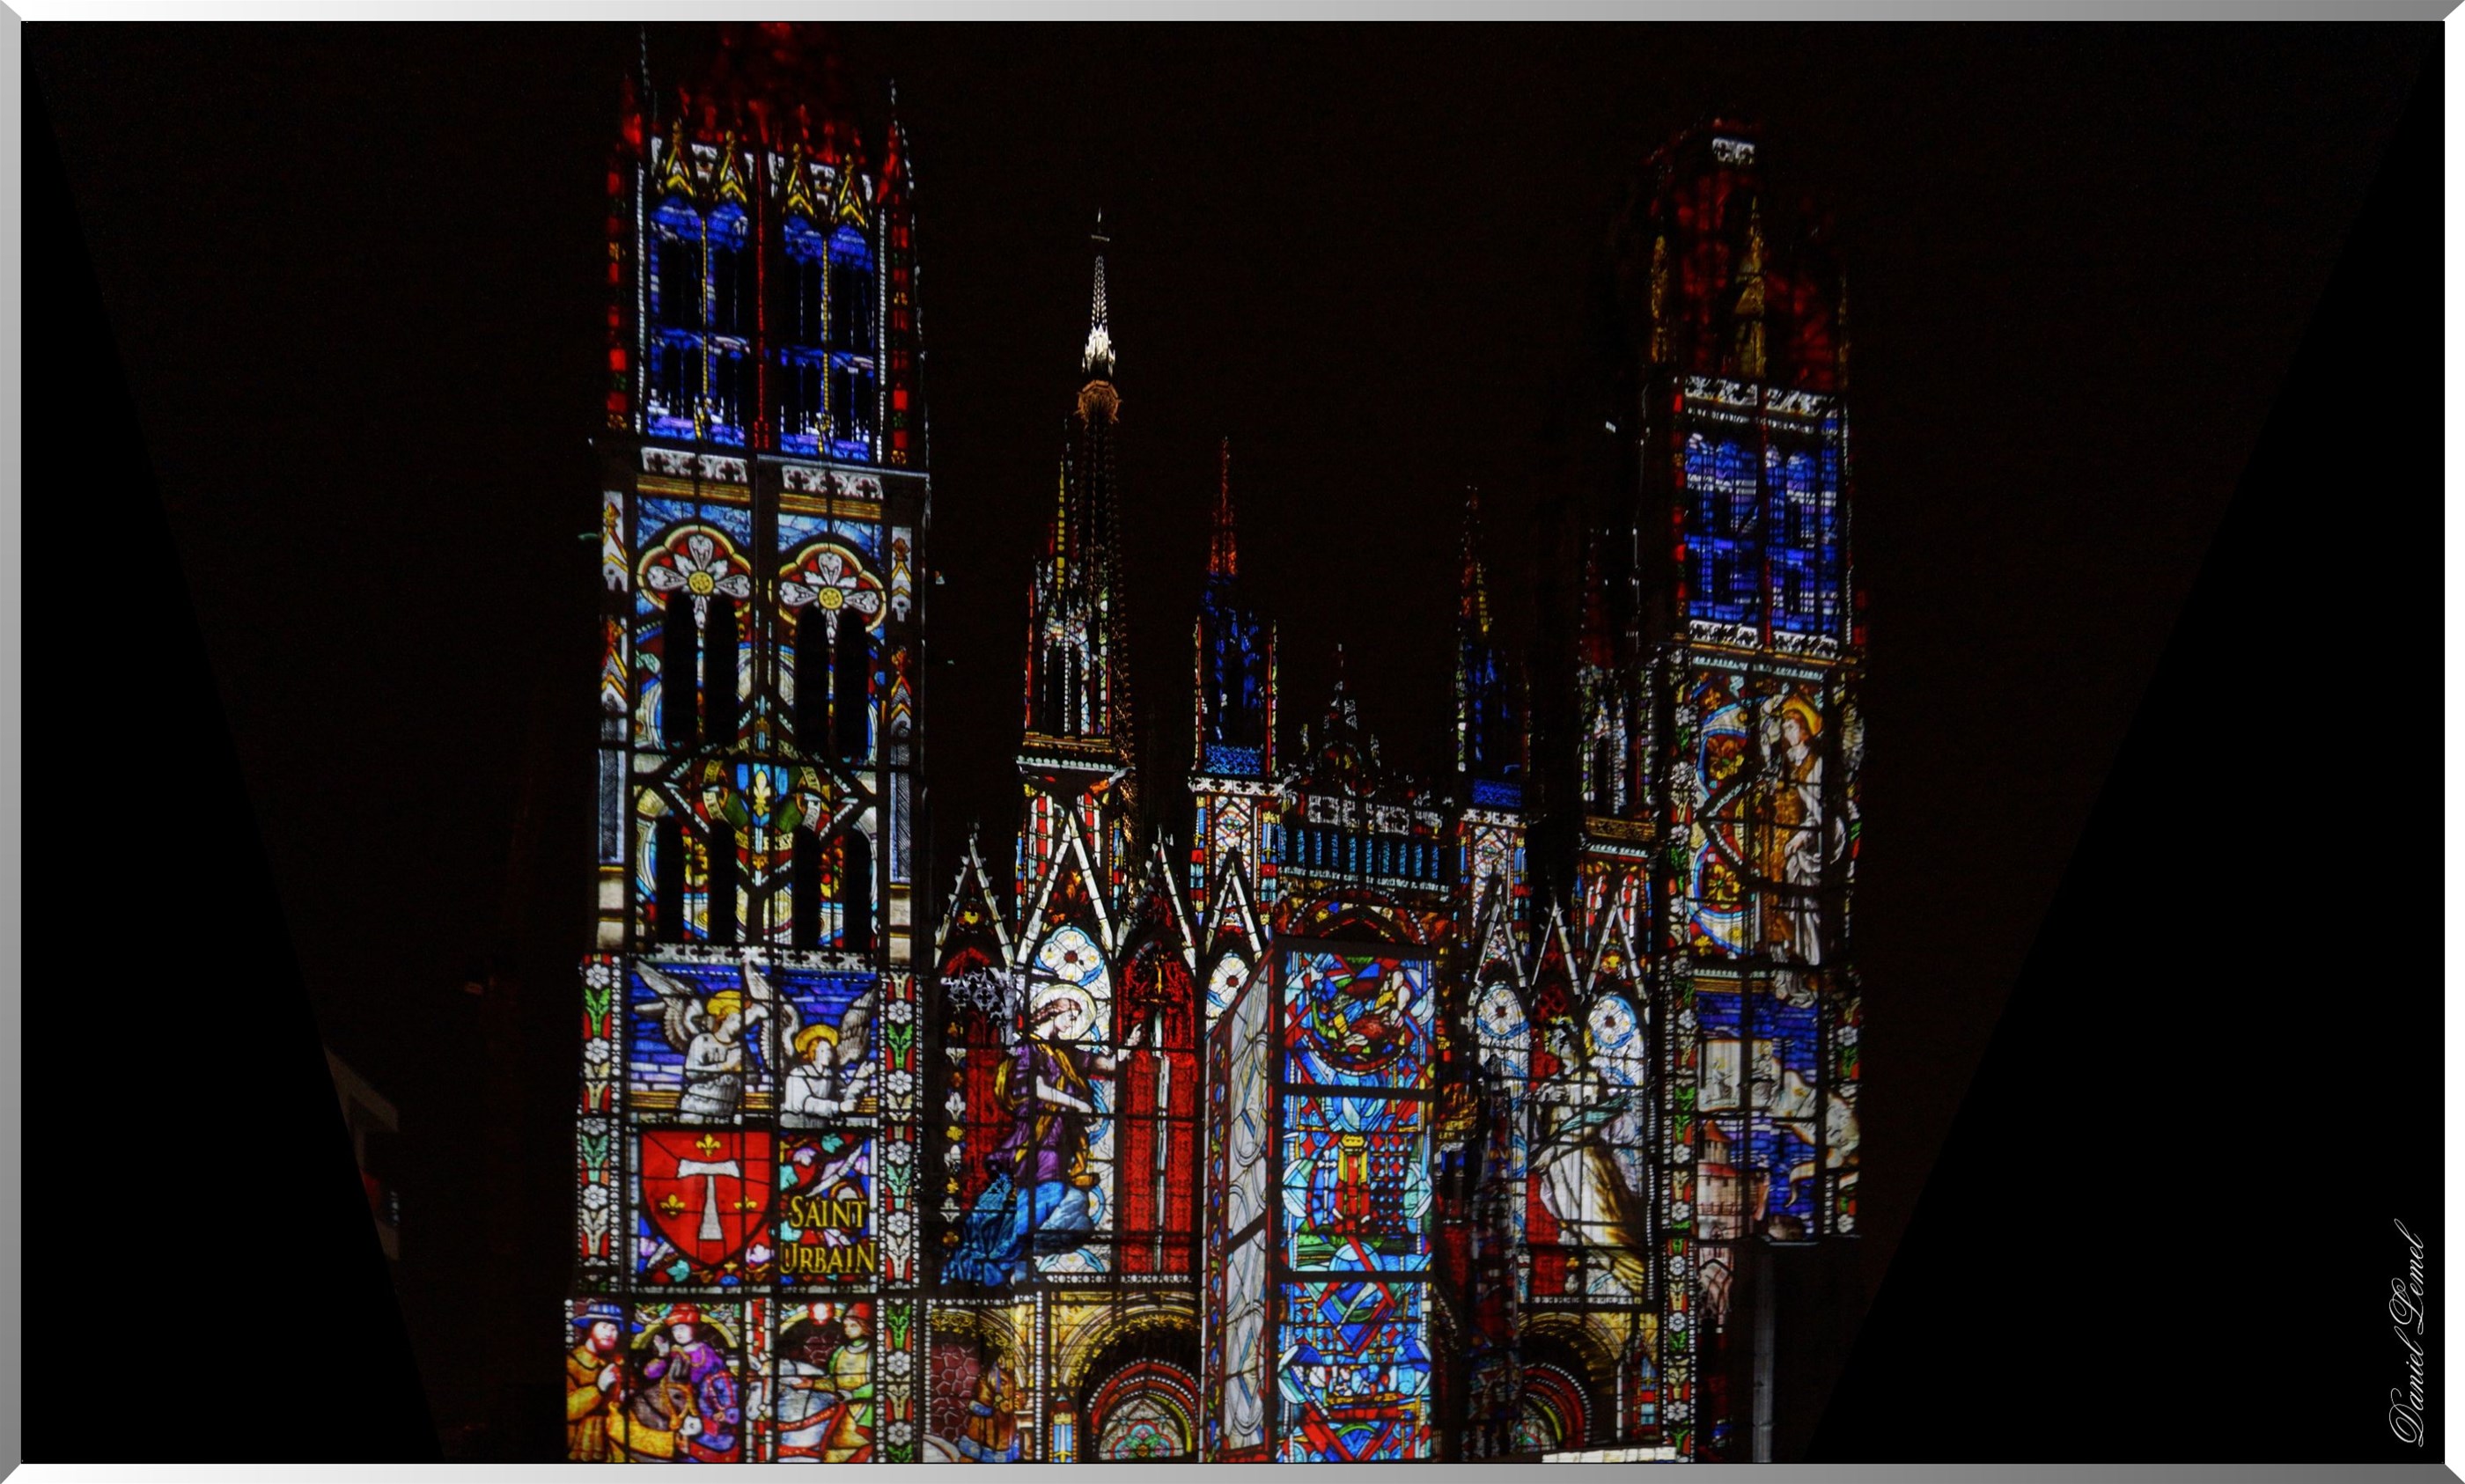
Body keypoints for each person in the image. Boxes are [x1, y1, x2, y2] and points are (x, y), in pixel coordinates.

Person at [943, 984, 1115, 1285]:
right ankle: (1001, 1258)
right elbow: (1037, 1090)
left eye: (1076, 1019)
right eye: (1070, 1017)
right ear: (1053, 1013)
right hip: (1035, 1139)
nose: (1073, 1025)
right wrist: (1078, 1103)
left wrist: (1128, 1046)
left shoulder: (1065, 1054)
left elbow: (1106, 1065)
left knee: (1047, 1199)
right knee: (1047, 1195)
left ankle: (1007, 1259)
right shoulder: (1028, 1049)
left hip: (1058, 1141)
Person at [565, 1304, 699, 1461]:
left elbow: (636, 1389)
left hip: (623, 1436)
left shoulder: (618, 1361)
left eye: (614, 1329)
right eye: (604, 1327)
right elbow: (569, 1409)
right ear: (590, 1329)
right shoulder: (572, 1363)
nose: (609, 1333)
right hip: (587, 1444)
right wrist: (598, 1389)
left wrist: (627, 1393)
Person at [641, 1304, 740, 1461]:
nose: (678, 1333)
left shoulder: (707, 1352)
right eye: (675, 1330)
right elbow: (650, 1374)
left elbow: (723, 1382)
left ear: (694, 1328)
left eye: (683, 1328)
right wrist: (662, 1354)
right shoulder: (672, 1353)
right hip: (674, 1409)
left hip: (705, 1408)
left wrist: (724, 1410)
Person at [680, 990, 762, 1121]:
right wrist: (724, 1066)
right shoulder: (702, 1040)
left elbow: (754, 1078)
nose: (743, 1026)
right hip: (697, 1108)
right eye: (739, 1021)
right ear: (727, 1019)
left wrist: (740, 1070)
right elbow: (691, 1072)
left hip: (725, 1111)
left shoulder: (739, 1047)